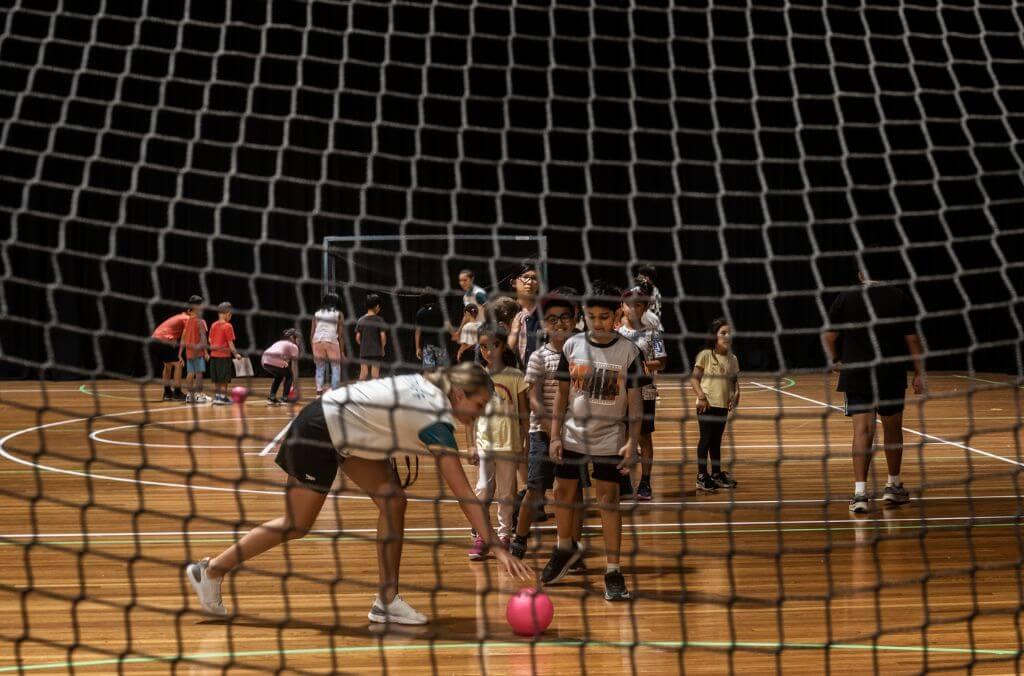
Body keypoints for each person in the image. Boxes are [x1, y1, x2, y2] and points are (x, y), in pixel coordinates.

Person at [184, 363, 531, 623]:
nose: (482, 413)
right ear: (459, 394)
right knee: (297, 523)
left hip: (345, 433)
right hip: (319, 430)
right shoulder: (436, 419)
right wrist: (498, 549)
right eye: (481, 404)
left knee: (394, 501)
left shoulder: (431, 385)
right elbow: (464, 494)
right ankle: (212, 570)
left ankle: (387, 601)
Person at [542, 281, 647, 602]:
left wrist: (632, 441)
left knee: (608, 502)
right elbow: (561, 396)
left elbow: (635, 400)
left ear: (617, 316)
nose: (597, 323)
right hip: (573, 435)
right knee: (563, 492)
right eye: (591, 316)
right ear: (583, 316)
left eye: (604, 317)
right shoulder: (572, 346)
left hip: (609, 439)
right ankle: (564, 548)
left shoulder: (628, 351)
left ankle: (613, 570)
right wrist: (556, 434)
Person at [822, 260, 926, 513]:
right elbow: (912, 339)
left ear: (860, 274)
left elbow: (829, 335)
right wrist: (920, 373)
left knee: (862, 431)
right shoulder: (898, 297)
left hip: (856, 372)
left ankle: (859, 494)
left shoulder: (846, 297)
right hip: (889, 372)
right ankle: (893, 487)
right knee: (892, 429)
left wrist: (834, 360)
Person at [510, 291, 586, 561]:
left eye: (565, 317)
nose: (559, 324)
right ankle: (519, 537)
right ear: (543, 324)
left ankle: (571, 545)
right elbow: (534, 399)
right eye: (552, 319)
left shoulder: (582, 356)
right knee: (535, 489)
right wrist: (552, 431)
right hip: (543, 434)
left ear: (575, 319)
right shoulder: (539, 357)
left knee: (574, 492)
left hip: (575, 435)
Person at [465, 323, 528, 559]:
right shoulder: (477, 376)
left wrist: (526, 445)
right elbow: (470, 416)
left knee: (506, 495)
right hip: (484, 445)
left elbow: (524, 415)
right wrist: (470, 443)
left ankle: (504, 536)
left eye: (494, 345)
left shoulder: (515, 376)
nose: (488, 351)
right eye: (483, 347)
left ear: (503, 346)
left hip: (509, 445)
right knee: (482, 490)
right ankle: (482, 535)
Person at [617, 287, 668, 501]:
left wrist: (645, 365)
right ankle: (624, 482)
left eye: (639, 304)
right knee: (621, 436)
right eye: (629, 304)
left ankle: (645, 482)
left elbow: (663, 362)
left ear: (645, 308)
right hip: (619, 393)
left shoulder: (653, 334)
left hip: (645, 392)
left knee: (644, 437)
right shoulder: (615, 333)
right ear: (622, 306)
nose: (633, 308)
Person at [690, 319, 741, 493]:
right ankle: (702, 476)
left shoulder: (732, 358)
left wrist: (736, 393)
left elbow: (734, 381)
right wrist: (701, 397)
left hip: (722, 406)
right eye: (723, 333)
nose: (727, 336)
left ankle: (717, 474)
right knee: (705, 440)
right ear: (715, 335)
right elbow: (694, 378)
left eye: (729, 333)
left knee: (716, 441)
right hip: (706, 405)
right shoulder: (705, 354)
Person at [150, 299, 197, 401]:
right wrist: (180, 355)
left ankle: (167, 393)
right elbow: (184, 338)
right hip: (162, 341)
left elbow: (174, 339)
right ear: (189, 311)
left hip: (153, 341)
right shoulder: (187, 319)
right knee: (178, 364)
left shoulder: (179, 317)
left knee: (168, 365)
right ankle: (177, 392)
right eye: (196, 311)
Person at [508, 263, 542, 367]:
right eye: (525, 277)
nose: (530, 282)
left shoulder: (545, 314)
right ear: (513, 282)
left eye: (534, 278)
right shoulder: (506, 312)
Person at [310, 293, 345, 395]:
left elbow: (312, 333)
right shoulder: (339, 313)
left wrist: (313, 349)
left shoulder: (316, 313)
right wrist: (342, 352)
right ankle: (334, 389)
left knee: (319, 367)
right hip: (331, 340)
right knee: (335, 366)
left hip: (317, 341)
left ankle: (319, 389)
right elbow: (340, 335)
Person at [208, 302, 242, 406]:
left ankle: (218, 396)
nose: (230, 316)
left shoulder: (213, 325)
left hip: (213, 356)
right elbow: (230, 343)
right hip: (223, 356)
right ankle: (222, 398)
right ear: (227, 313)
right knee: (224, 379)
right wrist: (236, 354)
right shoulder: (228, 326)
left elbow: (209, 340)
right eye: (230, 314)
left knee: (217, 378)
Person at [178, 297, 210, 404]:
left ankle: (189, 395)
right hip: (198, 351)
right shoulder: (201, 321)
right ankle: (199, 395)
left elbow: (183, 337)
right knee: (199, 374)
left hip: (189, 351)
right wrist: (205, 352)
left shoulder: (186, 322)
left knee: (190, 373)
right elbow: (203, 338)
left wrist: (180, 353)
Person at [262, 329, 301, 406]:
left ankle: (272, 397)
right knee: (289, 376)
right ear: (292, 338)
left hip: (264, 360)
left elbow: (285, 362)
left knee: (279, 375)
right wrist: (294, 382)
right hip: (275, 360)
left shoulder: (280, 342)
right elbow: (294, 367)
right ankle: (285, 398)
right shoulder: (294, 346)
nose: (299, 340)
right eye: (298, 338)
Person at [415, 291, 450, 370]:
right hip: (440, 343)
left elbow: (418, 332)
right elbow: (447, 326)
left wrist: (417, 348)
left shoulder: (420, 312)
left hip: (428, 344)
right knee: (442, 368)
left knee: (428, 369)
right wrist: (454, 335)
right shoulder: (441, 310)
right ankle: (441, 382)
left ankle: (428, 382)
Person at [355, 294, 387, 381]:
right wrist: (382, 348)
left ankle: (358, 392)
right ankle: (374, 393)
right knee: (375, 374)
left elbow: (357, 337)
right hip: (376, 351)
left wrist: (363, 345)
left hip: (364, 351)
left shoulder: (360, 320)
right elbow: (383, 336)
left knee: (363, 373)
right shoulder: (379, 320)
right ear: (377, 306)